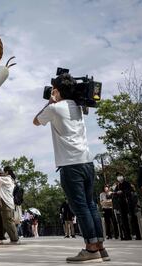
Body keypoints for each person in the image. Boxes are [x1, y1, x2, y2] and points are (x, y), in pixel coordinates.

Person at [33, 73, 108, 263]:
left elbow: (36, 121)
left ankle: (91, 250)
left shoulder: (55, 108)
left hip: (70, 165)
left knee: (80, 207)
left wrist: (51, 100)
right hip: (87, 163)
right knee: (91, 205)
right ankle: (100, 247)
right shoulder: (79, 107)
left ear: (57, 90)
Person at [0, 166, 20, 244]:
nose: (2, 173)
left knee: (9, 221)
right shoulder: (8, 179)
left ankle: (15, 239)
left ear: (7, 172)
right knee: (5, 222)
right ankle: (11, 238)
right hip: (6, 203)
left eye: (3, 171)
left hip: (7, 204)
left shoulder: (7, 178)